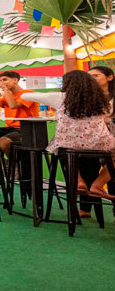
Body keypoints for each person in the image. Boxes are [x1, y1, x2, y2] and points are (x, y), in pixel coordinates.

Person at [21, 70, 115, 199]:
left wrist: (49, 94)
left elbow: (24, 96)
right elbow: (106, 118)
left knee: (61, 148)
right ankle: (98, 183)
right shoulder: (100, 99)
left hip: (70, 143)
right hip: (99, 143)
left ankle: (78, 181)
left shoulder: (59, 97)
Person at [0, 71, 40, 157]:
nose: (2, 83)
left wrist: (5, 89)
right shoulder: (6, 96)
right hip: (10, 128)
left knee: (4, 142)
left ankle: (14, 164)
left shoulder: (28, 94)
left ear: (15, 80)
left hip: (26, 128)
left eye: (5, 80)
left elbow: (13, 105)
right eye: (0, 80)